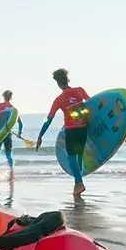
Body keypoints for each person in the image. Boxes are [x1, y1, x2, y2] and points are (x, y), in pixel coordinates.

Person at [36, 69, 93, 197]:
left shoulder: (59, 99)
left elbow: (49, 118)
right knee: (79, 157)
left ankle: (79, 183)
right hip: (84, 128)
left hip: (71, 130)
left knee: (71, 158)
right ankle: (77, 185)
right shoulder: (80, 90)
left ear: (57, 83)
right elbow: (91, 104)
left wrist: (40, 135)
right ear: (68, 79)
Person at [0, 90, 20, 179]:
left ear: (3, 96)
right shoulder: (13, 109)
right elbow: (20, 123)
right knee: (8, 155)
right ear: (11, 97)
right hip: (7, 134)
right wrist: (19, 133)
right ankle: (12, 172)